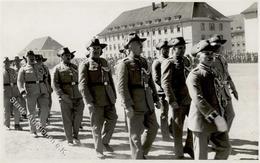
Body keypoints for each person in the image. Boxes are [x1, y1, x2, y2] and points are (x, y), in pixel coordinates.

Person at [117, 33, 160, 159]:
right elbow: (122, 87)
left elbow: (150, 81)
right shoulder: (124, 64)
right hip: (135, 104)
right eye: (137, 43)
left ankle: (142, 153)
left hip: (148, 102)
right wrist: (127, 106)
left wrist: (156, 99)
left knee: (153, 128)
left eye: (141, 43)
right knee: (135, 136)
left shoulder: (144, 61)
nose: (141, 45)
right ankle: (138, 158)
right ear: (130, 46)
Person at [186, 40, 231, 160]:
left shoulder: (214, 72)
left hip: (217, 118)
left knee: (225, 148)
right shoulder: (194, 75)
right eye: (206, 53)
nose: (210, 56)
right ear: (198, 57)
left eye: (212, 53)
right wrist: (216, 117)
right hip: (201, 121)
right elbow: (198, 99)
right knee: (201, 156)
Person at [78, 38, 118, 159]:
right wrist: (88, 101)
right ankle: (99, 149)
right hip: (95, 99)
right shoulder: (84, 64)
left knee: (113, 119)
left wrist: (114, 95)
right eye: (93, 48)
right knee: (97, 125)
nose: (96, 50)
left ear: (101, 50)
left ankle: (105, 141)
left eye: (98, 48)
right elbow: (82, 85)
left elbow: (110, 79)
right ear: (88, 50)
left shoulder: (104, 62)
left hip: (108, 97)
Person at [161, 37, 194, 159]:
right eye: (180, 48)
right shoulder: (169, 62)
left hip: (189, 99)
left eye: (184, 48)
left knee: (193, 124)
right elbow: (165, 83)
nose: (183, 50)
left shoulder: (186, 60)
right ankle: (179, 154)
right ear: (173, 49)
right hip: (177, 101)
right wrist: (172, 100)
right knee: (178, 129)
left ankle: (189, 146)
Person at [52, 47, 84, 146]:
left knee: (78, 118)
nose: (68, 56)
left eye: (69, 55)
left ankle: (76, 136)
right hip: (66, 97)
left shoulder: (75, 66)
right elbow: (54, 83)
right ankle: (69, 139)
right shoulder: (57, 68)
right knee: (67, 119)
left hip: (78, 96)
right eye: (66, 55)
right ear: (61, 57)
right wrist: (61, 95)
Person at [208, 34, 238, 131]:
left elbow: (227, 75)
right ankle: (218, 139)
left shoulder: (222, 58)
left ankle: (223, 136)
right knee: (217, 117)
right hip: (215, 93)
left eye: (220, 45)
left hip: (225, 92)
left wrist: (234, 89)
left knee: (230, 115)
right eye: (216, 45)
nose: (218, 47)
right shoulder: (209, 59)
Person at [17, 51, 49, 137]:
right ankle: (33, 130)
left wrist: (47, 89)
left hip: (42, 91)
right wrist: (22, 91)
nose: (31, 58)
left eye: (33, 56)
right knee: (31, 112)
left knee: (45, 110)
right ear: (26, 58)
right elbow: (19, 82)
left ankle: (43, 128)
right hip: (30, 92)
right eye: (29, 56)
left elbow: (45, 78)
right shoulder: (23, 69)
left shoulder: (40, 67)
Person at [152, 40, 173, 141]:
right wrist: (166, 87)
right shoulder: (157, 62)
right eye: (164, 49)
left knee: (175, 112)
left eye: (168, 49)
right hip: (162, 92)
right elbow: (156, 79)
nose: (167, 50)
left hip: (171, 90)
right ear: (160, 50)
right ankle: (165, 135)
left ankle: (171, 130)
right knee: (164, 114)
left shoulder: (170, 60)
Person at [3, 57, 23, 130]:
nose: (6, 64)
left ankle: (17, 124)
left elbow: (18, 81)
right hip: (5, 92)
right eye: (5, 62)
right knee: (6, 109)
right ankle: (6, 125)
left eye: (8, 62)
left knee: (17, 108)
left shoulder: (13, 71)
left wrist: (18, 91)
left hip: (14, 91)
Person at [35, 54, 53, 124]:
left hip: (46, 86)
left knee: (48, 102)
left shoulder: (45, 68)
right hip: (37, 88)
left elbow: (49, 78)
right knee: (39, 104)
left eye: (40, 60)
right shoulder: (34, 68)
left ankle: (46, 116)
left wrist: (49, 87)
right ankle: (42, 118)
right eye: (37, 60)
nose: (39, 61)